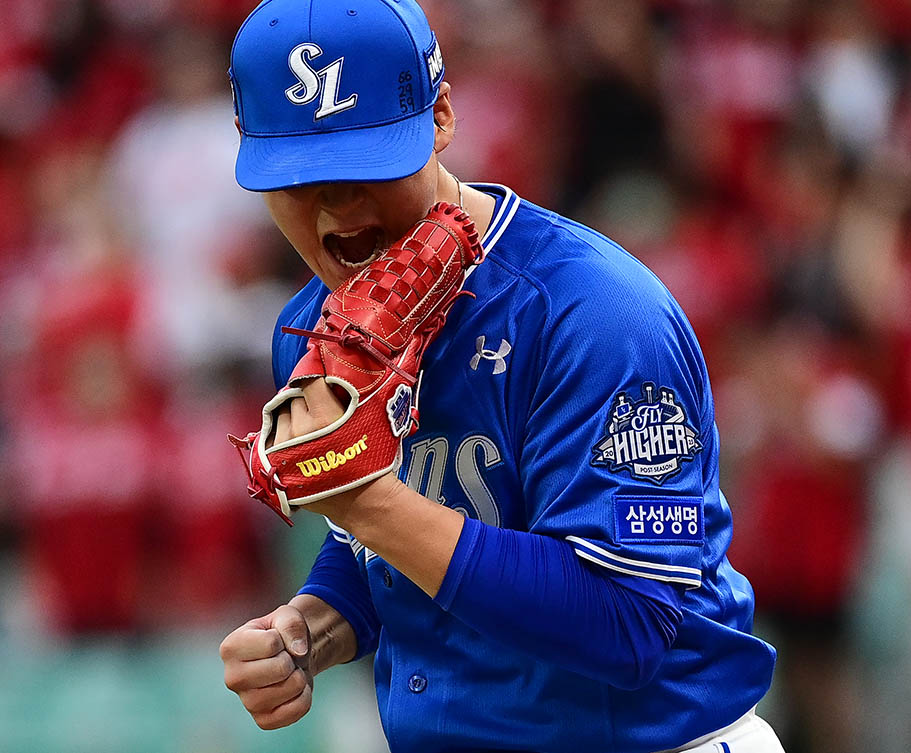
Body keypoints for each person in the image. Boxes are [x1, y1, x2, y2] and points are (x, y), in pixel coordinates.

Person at [216, 1, 782, 751]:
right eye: (300, 174)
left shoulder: (594, 312)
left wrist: (369, 501)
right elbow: (384, 556)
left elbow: (630, 623)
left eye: (367, 162)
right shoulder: (313, 329)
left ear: (442, 117)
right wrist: (312, 625)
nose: (338, 203)